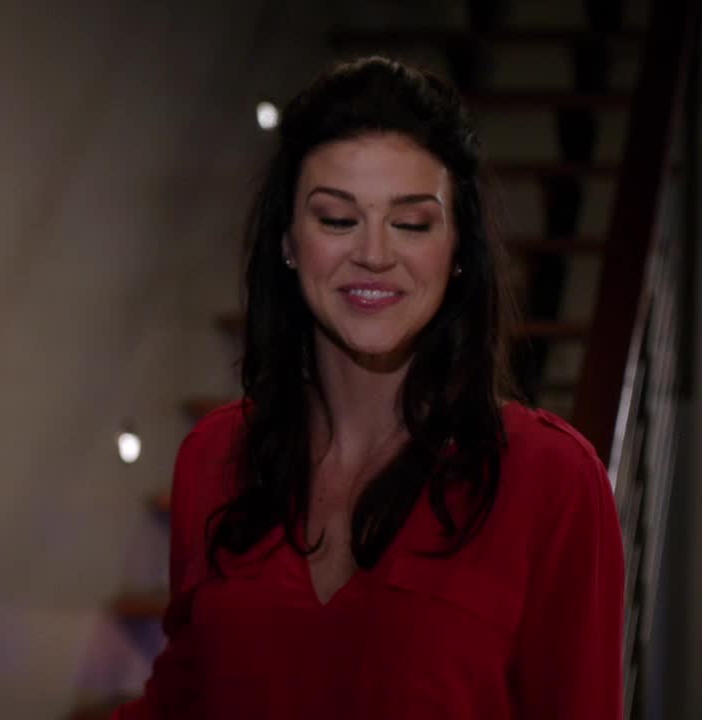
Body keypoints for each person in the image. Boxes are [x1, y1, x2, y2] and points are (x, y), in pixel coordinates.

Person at [115, 56, 623, 719]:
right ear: (288, 242)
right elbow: (185, 698)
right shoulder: (214, 455)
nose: (374, 255)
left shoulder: (553, 479)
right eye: (336, 219)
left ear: (458, 248)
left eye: (411, 223)